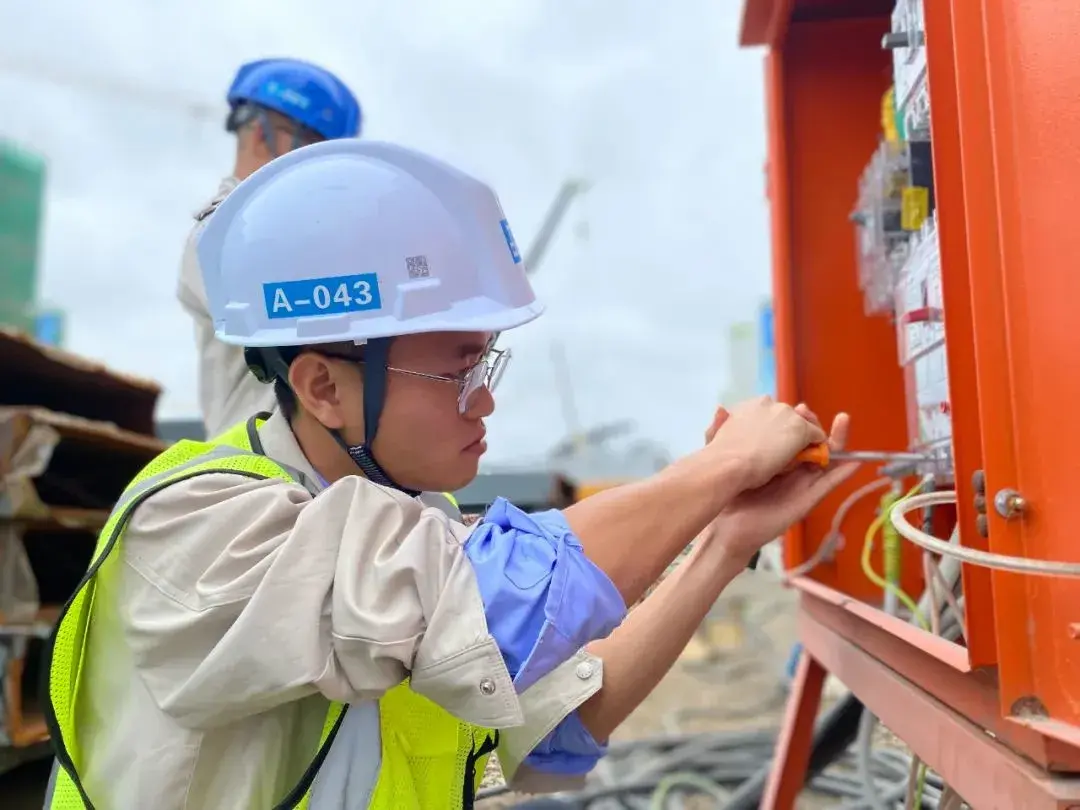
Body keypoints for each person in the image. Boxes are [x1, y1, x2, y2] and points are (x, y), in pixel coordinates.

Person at [44, 140, 857, 809]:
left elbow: (554, 726)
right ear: (323, 387)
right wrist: (721, 465)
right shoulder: (198, 529)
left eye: (487, 361)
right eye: (458, 370)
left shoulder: (404, 524)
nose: (487, 400)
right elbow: (501, 604)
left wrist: (721, 543)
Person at [178, 58, 363, 438]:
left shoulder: (309, 232)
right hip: (262, 478)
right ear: (263, 133)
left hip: (323, 476)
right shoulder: (221, 231)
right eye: (315, 148)